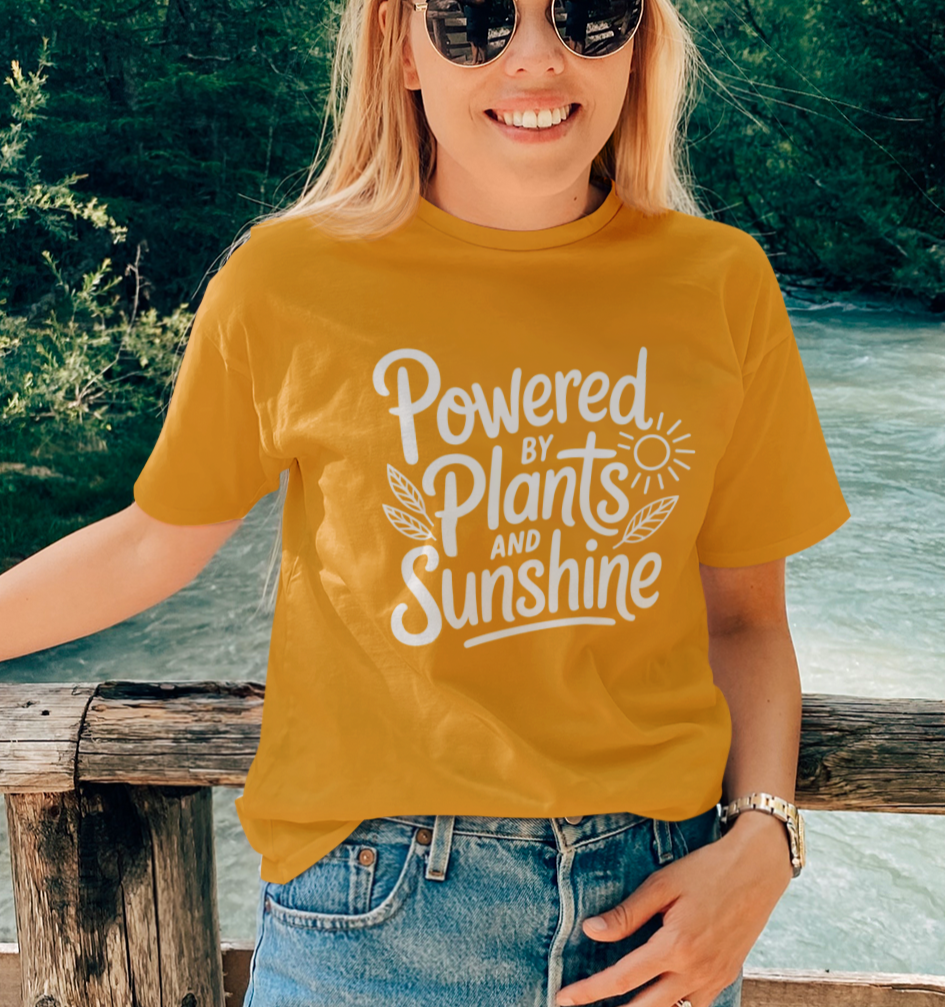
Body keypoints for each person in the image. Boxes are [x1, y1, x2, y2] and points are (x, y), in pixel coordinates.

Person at [0, 0, 851, 1001]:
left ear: (640, 43)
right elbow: (154, 545)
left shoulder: (719, 282)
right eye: (474, 22)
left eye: (586, 16)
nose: (535, 59)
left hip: (660, 906)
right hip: (371, 918)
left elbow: (745, 620)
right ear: (399, 50)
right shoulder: (286, 281)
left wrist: (762, 837)